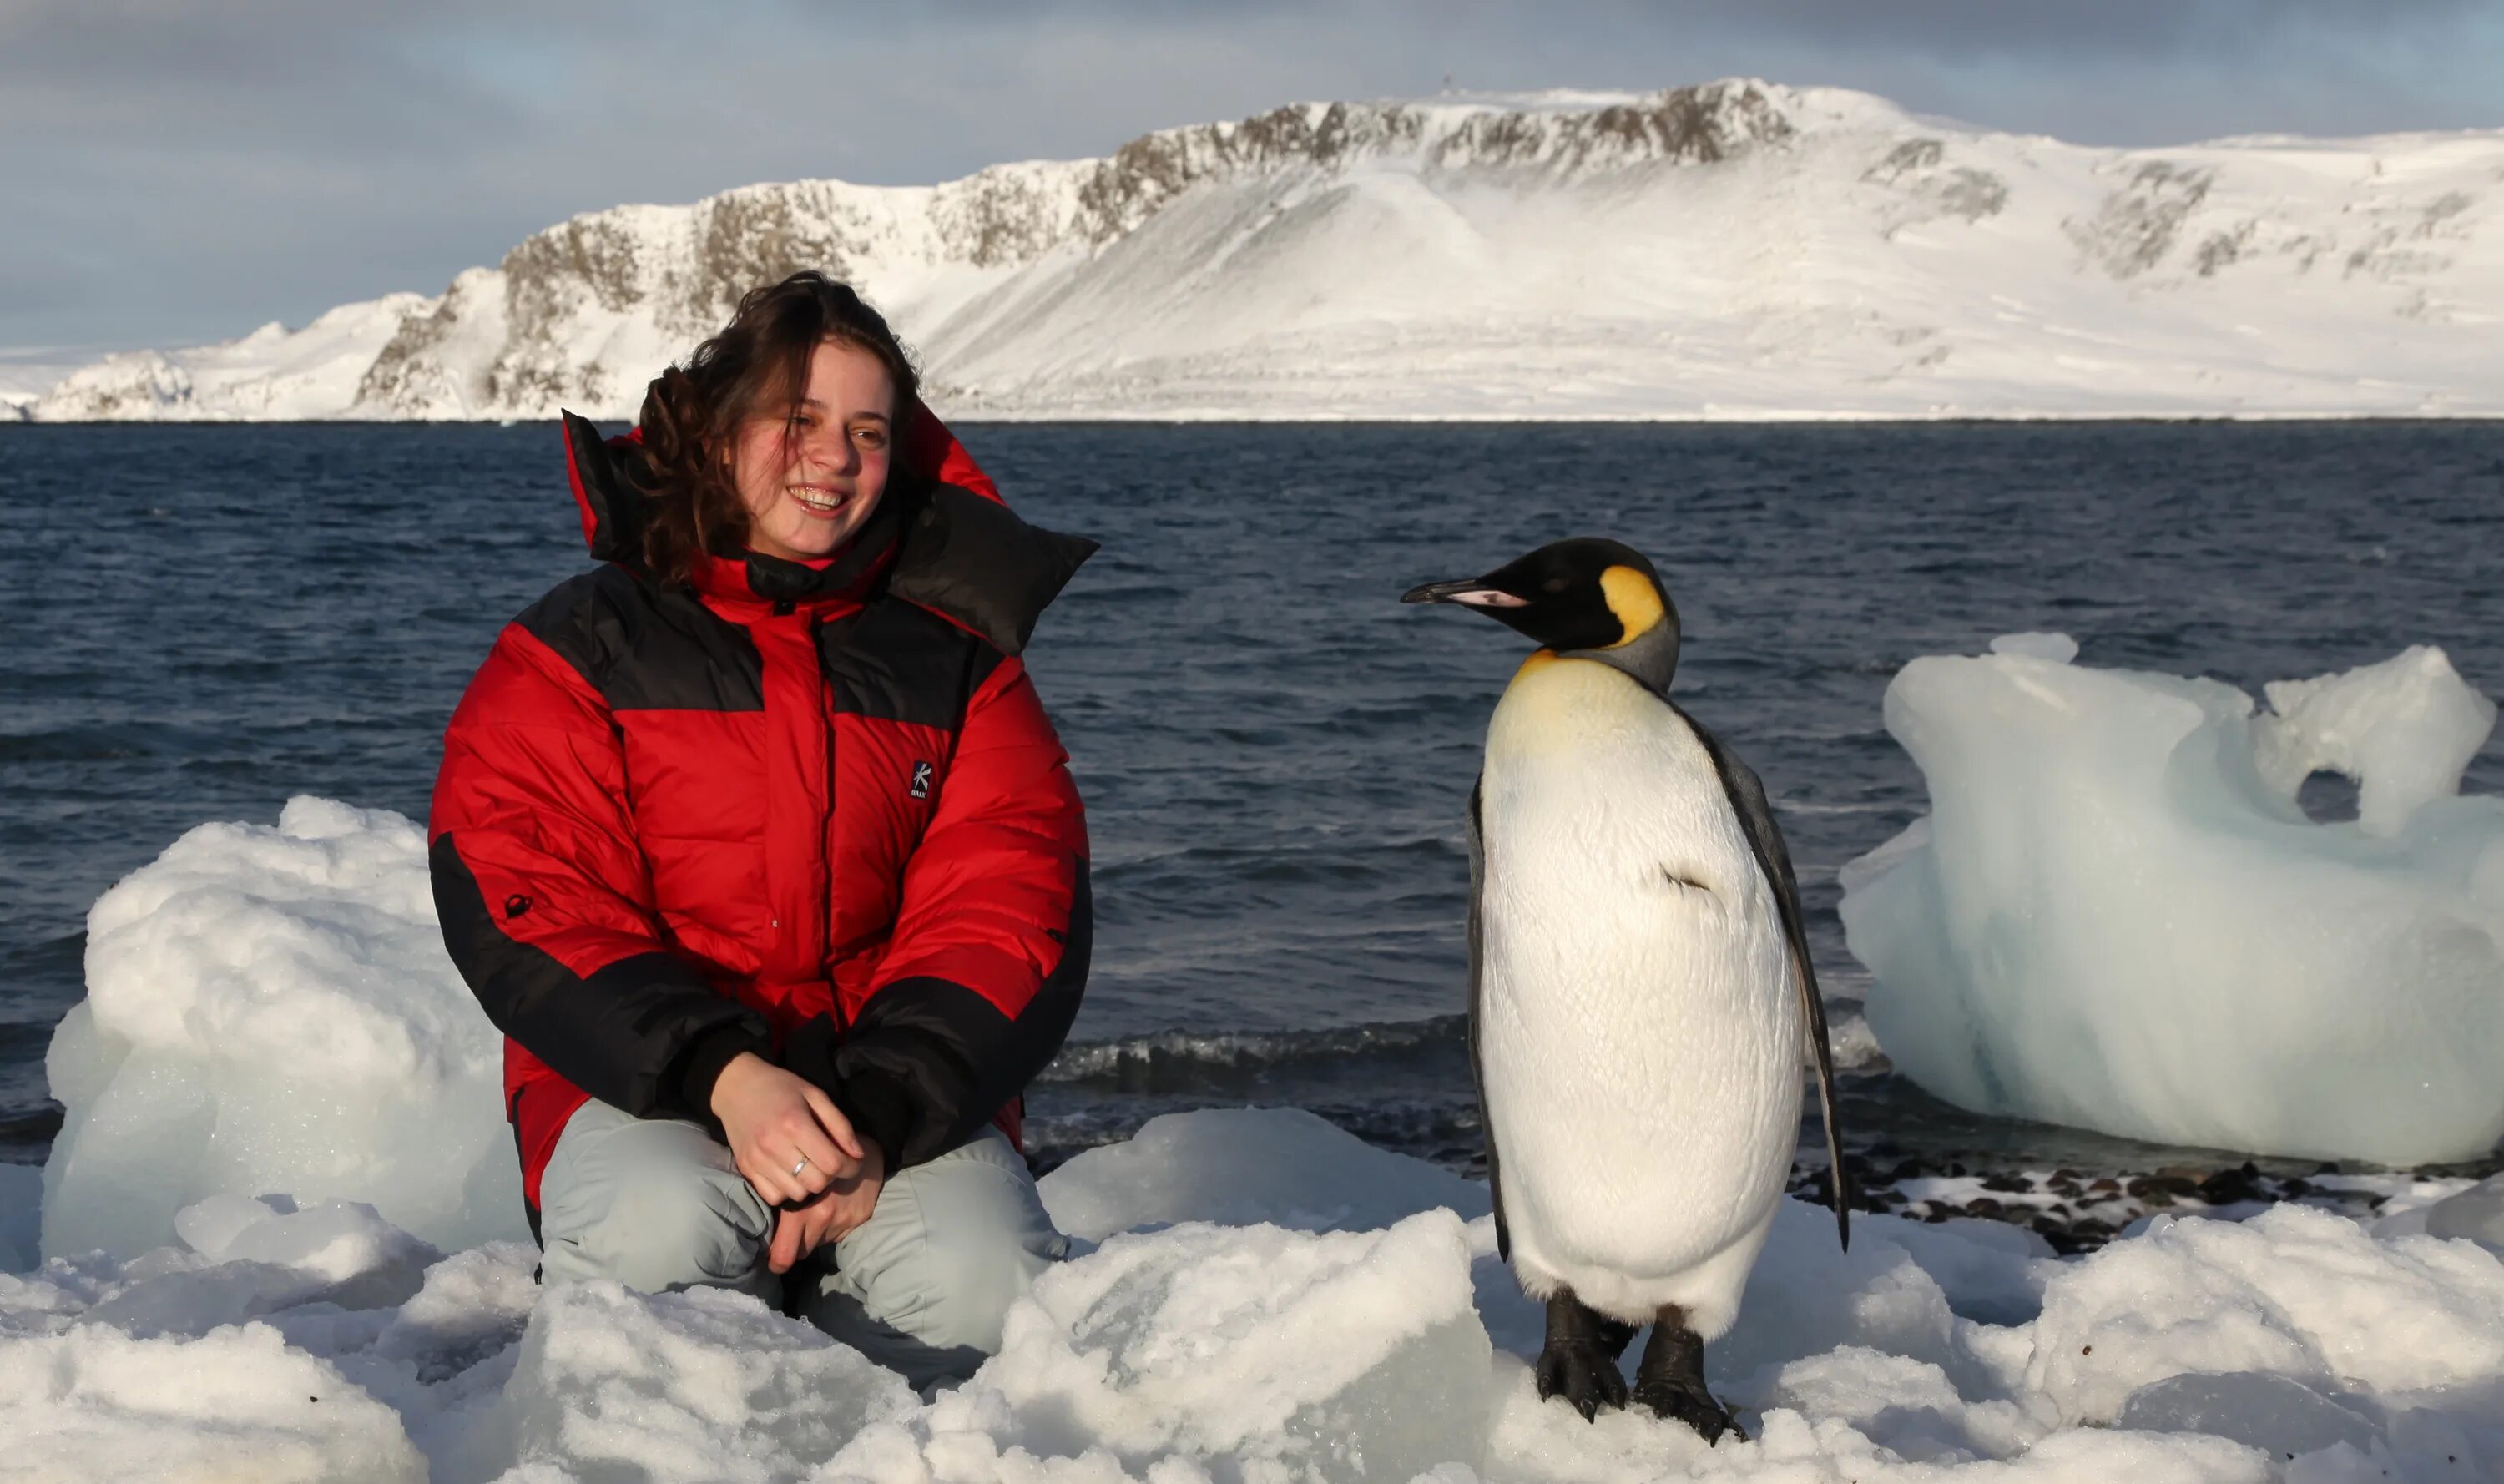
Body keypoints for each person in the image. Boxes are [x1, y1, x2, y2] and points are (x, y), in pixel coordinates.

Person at [427, 271, 1097, 1389]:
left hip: (895, 1103)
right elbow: (524, 884)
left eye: (867, 430)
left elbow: (1011, 898)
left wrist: (880, 1114)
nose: (833, 457)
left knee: (984, 1288)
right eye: (799, 419)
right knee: (658, 1231)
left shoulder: (964, 668)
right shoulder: (579, 647)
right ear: (721, 430)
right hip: (646, 1089)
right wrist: (724, 1073)